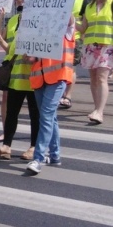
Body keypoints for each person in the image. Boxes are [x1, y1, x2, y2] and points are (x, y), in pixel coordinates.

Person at [0, 0, 38, 161]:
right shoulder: (15, 20)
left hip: (34, 76)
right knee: (12, 112)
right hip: (16, 75)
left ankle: (33, 147)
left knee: (35, 114)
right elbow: (10, 49)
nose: (19, 0)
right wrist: (1, 38)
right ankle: (6, 146)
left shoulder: (38, 20)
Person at [25, 14, 76, 174]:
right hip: (39, 78)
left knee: (46, 116)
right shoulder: (38, 29)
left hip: (58, 77)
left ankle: (38, 158)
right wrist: (29, 56)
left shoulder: (66, 25)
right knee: (49, 117)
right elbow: (30, 57)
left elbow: (68, 17)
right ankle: (55, 156)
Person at [78, 0, 113, 125]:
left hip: (106, 46)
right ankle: (96, 108)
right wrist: (70, 21)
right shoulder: (89, 6)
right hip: (90, 46)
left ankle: (100, 111)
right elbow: (83, 28)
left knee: (102, 78)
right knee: (93, 79)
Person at [59, 0, 86, 109]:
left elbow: (86, 23)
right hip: (54, 38)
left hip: (74, 38)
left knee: (71, 68)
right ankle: (58, 94)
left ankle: (67, 96)